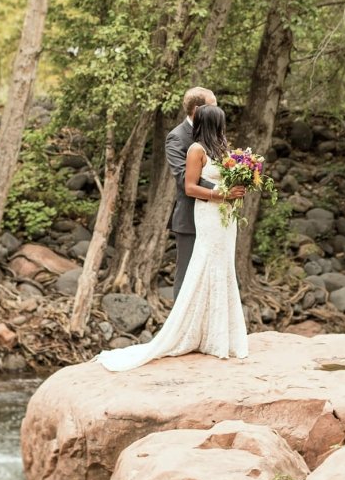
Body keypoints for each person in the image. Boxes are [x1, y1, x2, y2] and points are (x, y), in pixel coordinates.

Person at [97, 103, 249, 371]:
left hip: (226, 218)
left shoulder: (223, 150)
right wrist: (222, 194)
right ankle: (193, 332)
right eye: (221, 122)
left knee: (224, 268)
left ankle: (219, 335)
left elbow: (227, 179)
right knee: (205, 267)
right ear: (213, 123)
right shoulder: (196, 149)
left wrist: (241, 184)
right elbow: (190, 187)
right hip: (209, 214)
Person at [165, 87, 245, 300]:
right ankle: (182, 331)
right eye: (214, 104)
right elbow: (184, 179)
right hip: (191, 217)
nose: (217, 109)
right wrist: (223, 192)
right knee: (187, 275)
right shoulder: (177, 137)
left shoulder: (217, 136)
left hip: (218, 218)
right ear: (199, 109)